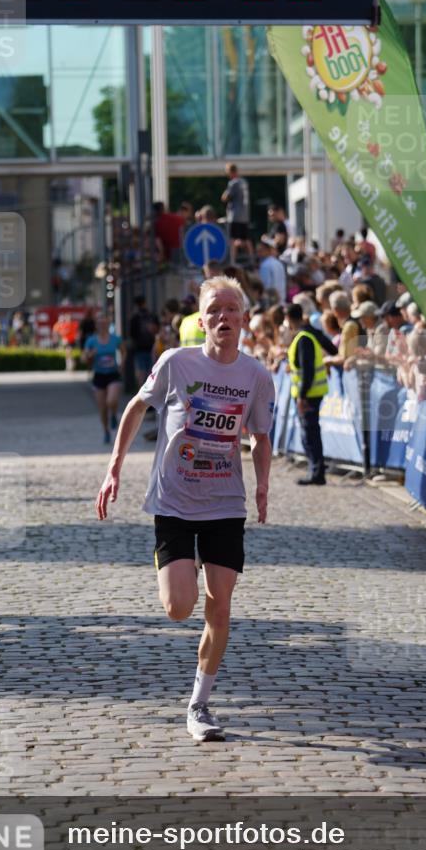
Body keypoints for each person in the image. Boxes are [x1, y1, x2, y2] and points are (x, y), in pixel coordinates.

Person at [96, 276, 275, 742]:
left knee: (220, 608)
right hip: (174, 498)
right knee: (179, 607)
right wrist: (114, 467)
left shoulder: (256, 376)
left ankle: (199, 705)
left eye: (231, 309)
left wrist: (263, 486)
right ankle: (180, 566)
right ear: (201, 320)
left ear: (244, 319)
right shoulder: (177, 363)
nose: (223, 317)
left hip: (224, 503)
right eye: (214, 310)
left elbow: (260, 436)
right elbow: (137, 407)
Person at [284, 304, 330, 485]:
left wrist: (302, 397)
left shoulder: (303, 338)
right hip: (310, 393)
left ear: (289, 319)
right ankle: (316, 471)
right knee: (309, 433)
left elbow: (308, 371)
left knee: (310, 435)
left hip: (309, 394)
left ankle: (317, 473)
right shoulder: (306, 335)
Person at [82, 314, 126, 443]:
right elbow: (84, 358)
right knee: (102, 408)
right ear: (96, 326)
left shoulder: (115, 339)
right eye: (100, 324)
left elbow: (124, 351)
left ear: (108, 325)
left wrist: (121, 365)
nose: (102, 326)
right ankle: (106, 431)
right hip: (99, 375)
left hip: (113, 374)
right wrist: (90, 355)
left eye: (104, 323)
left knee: (111, 401)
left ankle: (113, 414)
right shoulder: (91, 340)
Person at [221, 163, 253, 262]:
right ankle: (252, 258)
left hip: (235, 215)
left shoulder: (233, 183)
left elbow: (224, 198)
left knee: (233, 239)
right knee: (246, 238)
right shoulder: (244, 182)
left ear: (230, 172)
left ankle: (233, 260)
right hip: (245, 215)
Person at [129, 295, 159, 388]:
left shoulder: (134, 317)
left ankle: (141, 392)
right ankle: (150, 391)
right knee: (151, 371)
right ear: (145, 303)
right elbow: (157, 329)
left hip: (139, 348)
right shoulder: (151, 315)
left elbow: (131, 334)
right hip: (151, 347)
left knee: (140, 372)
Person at [257, 237, 287, 303]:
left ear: (267, 250)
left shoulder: (265, 265)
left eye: (261, 250)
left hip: (271, 302)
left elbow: (266, 286)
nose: (258, 253)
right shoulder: (279, 263)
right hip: (281, 301)